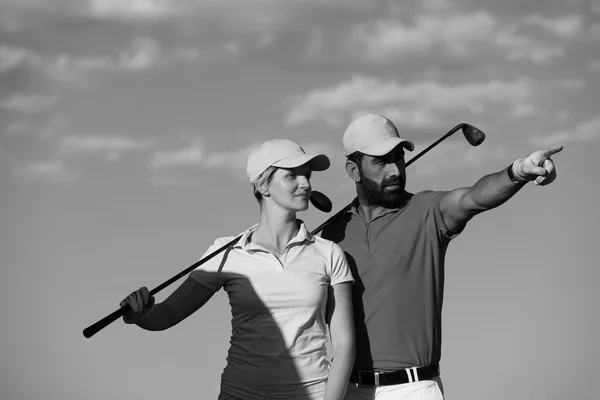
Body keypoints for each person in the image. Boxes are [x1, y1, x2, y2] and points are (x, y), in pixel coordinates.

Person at [320, 114, 563, 400]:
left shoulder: (428, 211)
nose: (395, 170)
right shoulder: (331, 235)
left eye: (398, 158)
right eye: (381, 162)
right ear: (353, 170)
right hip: (346, 389)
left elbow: (474, 197)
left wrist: (518, 171)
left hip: (414, 389)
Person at [121, 139, 356, 400]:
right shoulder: (226, 252)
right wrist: (140, 314)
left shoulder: (328, 252)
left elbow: (345, 345)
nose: (305, 184)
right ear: (263, 185)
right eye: (292, 176)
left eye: (307, 176)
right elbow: (166, 314)